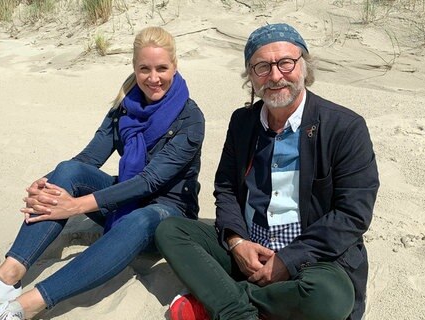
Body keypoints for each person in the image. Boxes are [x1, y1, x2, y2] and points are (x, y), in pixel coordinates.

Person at [0, 26, 205, 320]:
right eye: (144, 69)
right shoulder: (125, 108)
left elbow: (149, 181)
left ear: (174, 66)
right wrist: (47, 183)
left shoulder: (190, 118)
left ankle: (24, 307)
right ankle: (5, 278)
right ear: (134, 68)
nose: (153, 78)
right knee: (68, 170)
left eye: (162, 68)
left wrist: (76, 206)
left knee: (142, 217)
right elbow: (88, 159)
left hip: (168, 216)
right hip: (126, 200)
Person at [155, 23, 379, 320]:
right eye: (262, 66)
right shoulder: (243, 122)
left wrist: (289, 259)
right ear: (251, 75)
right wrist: (237, 242)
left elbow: (353, 213)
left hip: (312, 257)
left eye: (286, 63)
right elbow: (225, 187)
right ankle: (244, 308)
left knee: (330, 298)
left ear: (303, 66)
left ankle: (228, 302)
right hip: (249, 248)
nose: (275, 76)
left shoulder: (345, 127)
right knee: (171, 230)